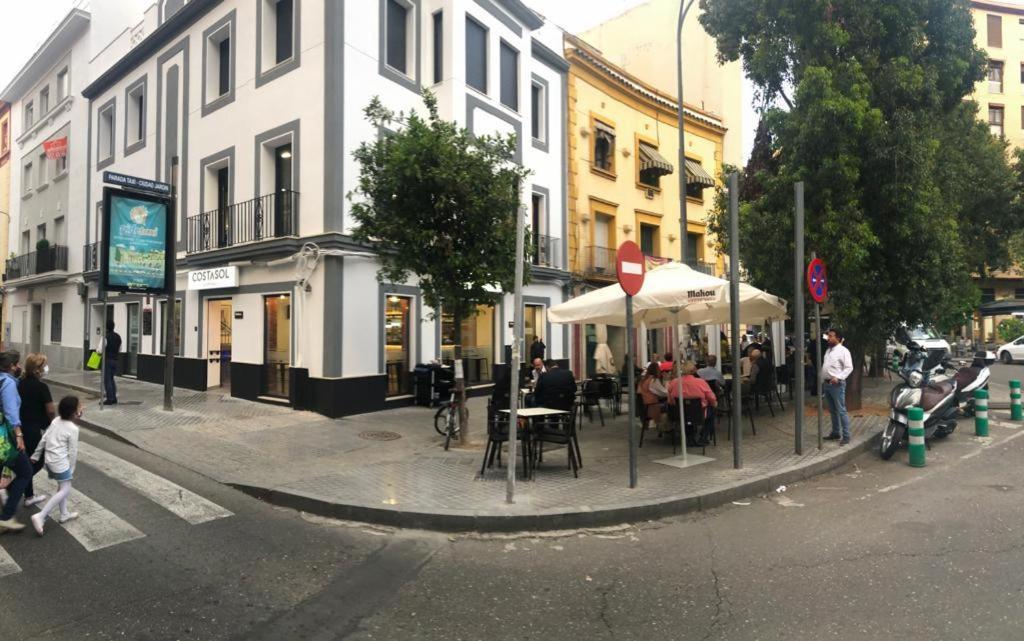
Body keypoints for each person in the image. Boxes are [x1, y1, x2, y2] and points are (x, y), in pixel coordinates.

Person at [29, 395, 81, 535]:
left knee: (61, 486)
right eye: (78, 407)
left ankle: (64, 514)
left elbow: (44, 438)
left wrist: (36, 455)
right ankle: (41, 516)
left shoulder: (56, 420)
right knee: (65, 489)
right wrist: (71, 469)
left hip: (49, 460)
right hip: (60, 463)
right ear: (73, 412)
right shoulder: (73, 429)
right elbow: (73, 451)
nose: (80, 409)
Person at [19, 353, 56, 508]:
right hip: (34, 429)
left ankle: (29, 496)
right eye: (43, 366)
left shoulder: (19, 383)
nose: (46, 368)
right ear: (37, 370)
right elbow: (50, 410)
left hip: (21, 428)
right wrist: (54, 424)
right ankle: (14, 485)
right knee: (38, 461)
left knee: (27, 460)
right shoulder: (41, 387)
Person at [0, 350, 30, 531]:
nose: (19, 366)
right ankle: (6, 516)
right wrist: (19, 435)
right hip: (5, 438)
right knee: (25, 471)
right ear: (11, 366)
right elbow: (11, 412)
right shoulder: (8, 384)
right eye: (17, 364)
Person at [666, 361, 718, 445]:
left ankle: (689, 436)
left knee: (687, 413)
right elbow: (711, 397)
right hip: (699, 413)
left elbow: (670, 400)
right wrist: (714, 403)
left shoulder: (674, 382)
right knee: (711, 412)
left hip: (679, 414)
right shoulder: (701, 382)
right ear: (694, 370)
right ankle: (703, 437)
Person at [822, 328, 854, 445]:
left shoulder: (843, 351)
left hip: (837, 385)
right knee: (833, 410)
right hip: (827, 384)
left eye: (831, 336)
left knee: (841, 410)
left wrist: (839, 377)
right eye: (828, 336)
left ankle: (846, 436)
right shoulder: (828, 350)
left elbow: (849, 367)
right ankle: (836, 432)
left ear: (838, 338)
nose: (828, 338)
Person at [104, 320, 122, 405]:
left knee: (107, 380)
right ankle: (114, 397)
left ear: (106, 327)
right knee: (111, 379)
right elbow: (120, 349)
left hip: (108, 360)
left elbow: (100, 350)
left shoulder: (106, 337)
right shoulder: (118, 336)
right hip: (116, 360)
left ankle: (109, 399)